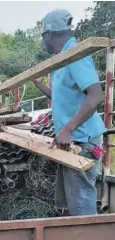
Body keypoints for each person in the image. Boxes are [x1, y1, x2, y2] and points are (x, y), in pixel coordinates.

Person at [34, 9, 106, 216]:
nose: (43, 41)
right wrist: (40, 86)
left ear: (48, 34)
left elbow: (95, 95)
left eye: (42, 37)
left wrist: (68, 128)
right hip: (72, 140)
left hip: (82, 141)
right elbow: (63, 97)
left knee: (81, 204)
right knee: (71, 203)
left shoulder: (75, 55)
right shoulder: (62, 59)